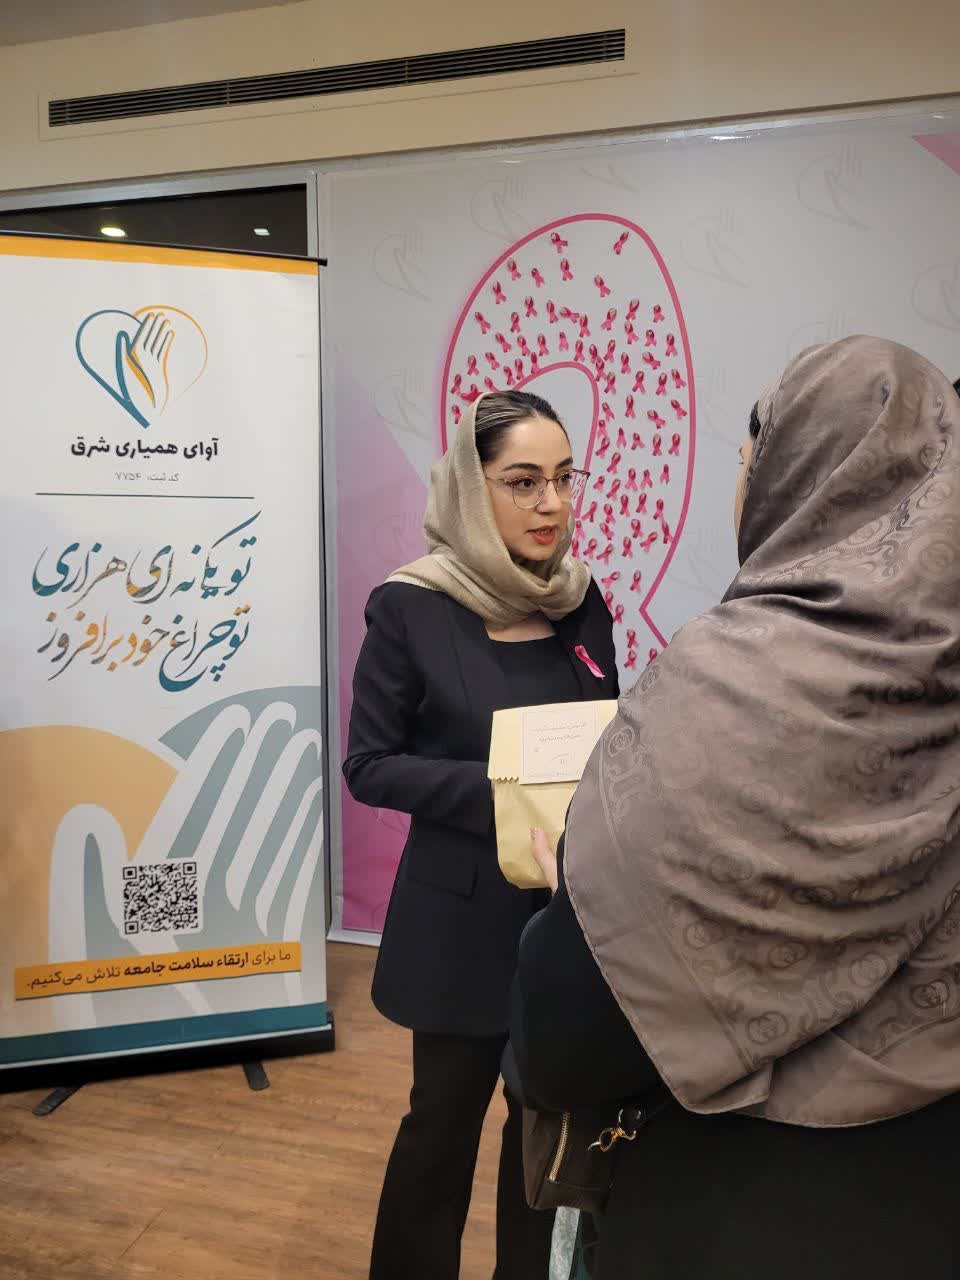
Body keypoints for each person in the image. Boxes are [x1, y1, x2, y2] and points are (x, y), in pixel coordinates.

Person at [511, 336, 960, 1280]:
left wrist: (573, 897)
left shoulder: (727, 693)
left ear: (792, 469)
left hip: (736, 1211)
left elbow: (568, 1045)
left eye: (749, 453)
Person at [344, 389, 619, 1280]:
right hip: (460, 922)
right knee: (441, 1130)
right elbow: (369, 765)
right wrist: (507, 789)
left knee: (541, 1134)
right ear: (472, 485)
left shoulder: (580, 599)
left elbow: (604, 737)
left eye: (564, 479)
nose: (552, 503)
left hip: (565, 918)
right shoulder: (411, 606)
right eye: (524, 482)